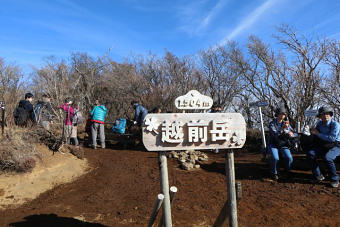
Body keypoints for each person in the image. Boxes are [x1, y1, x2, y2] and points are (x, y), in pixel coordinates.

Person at [307, 106, 340, 188]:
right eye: (323, 114)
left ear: (330, 115)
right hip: (324, 145)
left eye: (327, 113)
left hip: (336, 145)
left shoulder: (335, 124)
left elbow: (332, 138)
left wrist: (318, 134)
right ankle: (318, 175)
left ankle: (335, 179)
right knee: (310, 153)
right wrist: (310, 131)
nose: (325, 115)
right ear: (320, 116)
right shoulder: (319, 124)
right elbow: (314, 132)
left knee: (328, 158)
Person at [268, 106, 297, 180]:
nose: (282, 116)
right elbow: (275, 134)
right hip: (273, 144)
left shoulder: (286, 123)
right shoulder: (272, 124)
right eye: (281, 114)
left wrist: (291, 134)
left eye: (284, 114)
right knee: (275, 158)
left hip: (283, 144)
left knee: (289, 157)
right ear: (277, 114)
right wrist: (282, 128)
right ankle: (274, 173)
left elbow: (294, 133)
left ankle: (287, 171)